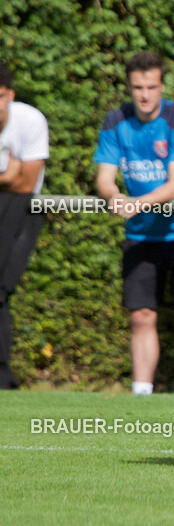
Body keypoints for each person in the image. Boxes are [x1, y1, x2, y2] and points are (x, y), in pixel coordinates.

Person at [94, 52, 174, 395]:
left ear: (161, 86)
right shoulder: (115, 121)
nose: (144, 95)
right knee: (141, 315)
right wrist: (113, 197)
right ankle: (142, 394)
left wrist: (135, 203)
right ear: (129, 86)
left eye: (151, 87)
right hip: (140, 235)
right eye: (138, 87)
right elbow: (105, 178)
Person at [0, 61, 49, 389]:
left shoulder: (30, 120)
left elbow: (25, 185)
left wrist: (13, 179)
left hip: (20, 210)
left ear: (10, 96)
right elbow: (14, 178)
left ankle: (3, 375)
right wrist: (7, 175)